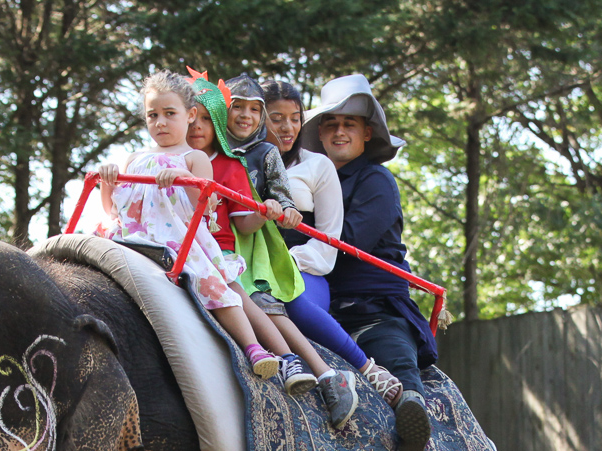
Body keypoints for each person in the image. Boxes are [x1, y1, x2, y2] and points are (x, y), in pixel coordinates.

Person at [95, 71, 282, 379]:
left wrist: (184, 181)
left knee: (215, 286)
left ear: (190, 114)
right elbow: (114, 209)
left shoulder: (194, 158)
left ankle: (253, 347)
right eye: (152, 115)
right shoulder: (134, 159)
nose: (161, 123)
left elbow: (204, 205)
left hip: (179, 239)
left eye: (170, 114)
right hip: (135, 236)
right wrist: (107, 181)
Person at [300, 75, 436, 451]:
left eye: (349, 124)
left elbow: (349, 240)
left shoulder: (377, 179)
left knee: (394, 354)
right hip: (321, 304)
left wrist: (292, 245)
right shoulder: (304, 180)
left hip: (373, 305)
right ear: (321, 134)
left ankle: (412, 412)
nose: (340, 131)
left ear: (366, 133)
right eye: (331, 123)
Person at [185, 71, 346, 405]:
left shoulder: (242, 161)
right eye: (277, 118)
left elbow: (258, 210)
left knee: (276, 301)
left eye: (255, 110)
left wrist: (277, 209)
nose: (286, 127)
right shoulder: (168, 158)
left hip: (264, 251)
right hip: (189, 246)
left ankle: (338, 368)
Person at [261, 77, 392, 429]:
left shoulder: (318, 167)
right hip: (249, 268)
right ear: (260, 118)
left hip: (304, 268)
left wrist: (282, 264)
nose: (287, 127)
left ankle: (365, 368)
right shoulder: (243, 163)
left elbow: (330, 242)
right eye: (276, 118)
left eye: (294, 117)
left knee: (292, 302)